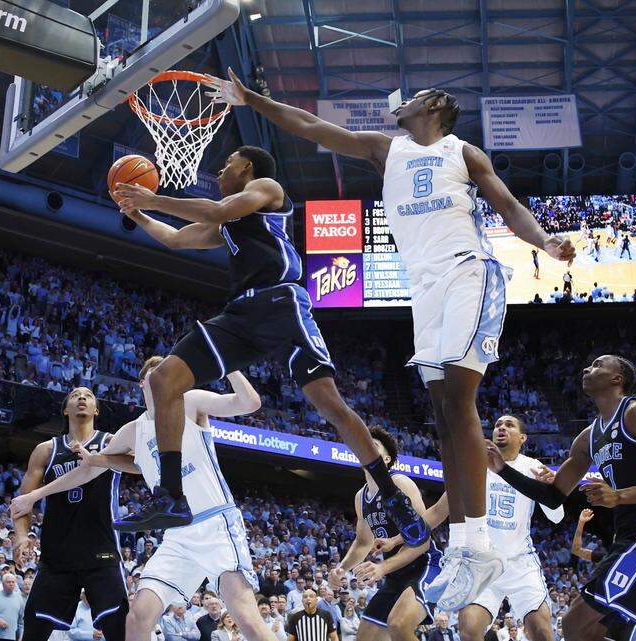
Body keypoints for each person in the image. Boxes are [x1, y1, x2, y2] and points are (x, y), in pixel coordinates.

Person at [208, 69, 575, 613]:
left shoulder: (463, 153)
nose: (400, 103)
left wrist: (545, 239)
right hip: (422, 288)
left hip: (467, 272)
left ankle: (474, 545)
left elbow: (508, 206)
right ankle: (469, 548)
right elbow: (310, 126)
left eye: (415, 98)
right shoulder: (386, 149)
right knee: (442, 413)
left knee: (458, 399)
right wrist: (249, 99)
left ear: (434, 108)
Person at [110, 148, 428, 548]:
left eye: (227, 164)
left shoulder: (267, 188)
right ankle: (172, 497)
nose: (222, 169)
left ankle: (391, 493)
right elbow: (176, 238)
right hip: (241, 313)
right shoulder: (228, 220)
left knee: (331, 407)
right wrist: (137, 213)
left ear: (247, 167)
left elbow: (216, 211)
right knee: (163, 380)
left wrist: (153, 199)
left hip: (281, 303)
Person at [10, 364, 278, 641]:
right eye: (158, 368)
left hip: (215, 523)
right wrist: (35, 495)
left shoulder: (191, 401)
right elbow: (90, 469)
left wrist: (228, 365)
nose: (168, 372)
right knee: (137, 618)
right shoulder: (133, 430)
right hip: (177, 535)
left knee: (246, 618)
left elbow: (249, 402)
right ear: (143, 383)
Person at [481, 355, 636, 641]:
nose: (586, 368)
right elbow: (553, 496)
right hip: (626, 537)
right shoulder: (587, 438)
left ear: (617, 379)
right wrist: (503, 469)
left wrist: (619, 495)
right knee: (596, 632)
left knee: (574, 624)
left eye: (596, 365)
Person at [391, 416, 559, 641]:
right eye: (498, 424)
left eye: (509, 425)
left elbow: (556, 517)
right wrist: (397, 540)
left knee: (541, 631)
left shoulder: (533, 467)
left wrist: (550, 489)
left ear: (522, 438)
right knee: (468, 630)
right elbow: (438, 511)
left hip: (520, 563)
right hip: (482, 562)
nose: (501, 427)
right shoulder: (474, 466)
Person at [9, 387, 128, 641]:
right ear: (66, 410)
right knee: (33, 632)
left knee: (120, 631)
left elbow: (141, 464)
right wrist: (20, 536)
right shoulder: (46, 450)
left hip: (102, 554)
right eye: (75, 395)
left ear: (96, 409)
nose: (82, 398)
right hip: (57, 557)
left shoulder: (110, 442)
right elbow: (21, 502)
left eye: (88, 395)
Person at [327, 427, 438, 641]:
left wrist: (382, 567)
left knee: (399, 626)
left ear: (386, 459)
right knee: (365, 638)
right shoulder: (361, 497)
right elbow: (362, 544)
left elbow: (422, 540)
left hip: (424, 566)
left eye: (373, 446)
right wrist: (341, 569)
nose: (365, 447)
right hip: (394, 575)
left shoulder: (400, 483)